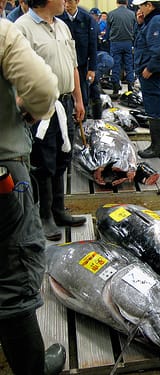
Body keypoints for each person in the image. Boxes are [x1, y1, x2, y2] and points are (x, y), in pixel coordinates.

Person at [0, 16, 65, 375]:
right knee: (13, 280)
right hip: (3, 174)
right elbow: (43, 89)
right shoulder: (4, 32)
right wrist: (23, 113)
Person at [16, 0, 87, 241]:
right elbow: (16, 73)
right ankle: (44, 216)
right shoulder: (22, 28)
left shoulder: (62, 26)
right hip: (42, 107)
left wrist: (78, 99)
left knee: (61, 156)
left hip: (65, 103)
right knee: (42, 161)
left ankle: (59, 210)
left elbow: (73, 66)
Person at [134, 0, 160, 158]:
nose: (139, 9)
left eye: (141, 6)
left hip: (152, 72)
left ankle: (157, 147)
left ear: (149, 5)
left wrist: (149, 68)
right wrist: (141, 23)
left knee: (154, 107)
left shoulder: (156, 21)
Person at [58, 0, 100, 119]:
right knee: (65, 98)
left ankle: (83, 120)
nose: (67, 4)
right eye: (65, 1)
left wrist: (92, 68)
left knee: (83, 96)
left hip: (81, 66)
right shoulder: (58, 19)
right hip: (64, 65)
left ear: (77, 1)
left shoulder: (87, 19)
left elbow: (93, 45)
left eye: (70, 1)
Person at [107, 0, 136, 98]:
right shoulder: (132, 14)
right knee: (129, 66)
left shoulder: (111, 14)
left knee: (115, 66)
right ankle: (130, 89)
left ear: (117, 2)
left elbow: (108, 30)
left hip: (115, 43)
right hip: (128, 42)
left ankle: (115, 90)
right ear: (127, 3)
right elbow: (135, 29)